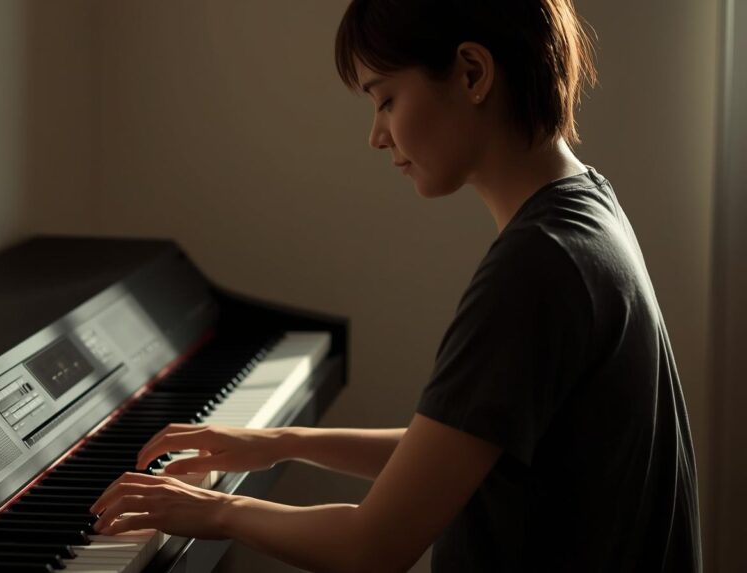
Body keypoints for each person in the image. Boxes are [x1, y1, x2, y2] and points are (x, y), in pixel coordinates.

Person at [90, 0, 703, 570]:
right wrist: (279, 442)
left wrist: (215, 511)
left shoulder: (537, 265)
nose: (376, 135)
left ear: (471, 74)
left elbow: (374, 547)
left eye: (384, 100)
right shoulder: (587, 209)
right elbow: (456, 452)